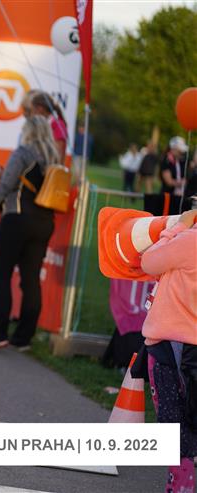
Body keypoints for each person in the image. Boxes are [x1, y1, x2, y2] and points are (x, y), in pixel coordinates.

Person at [0, 115, 59, 351]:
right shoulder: (53, 157)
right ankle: (23, 337)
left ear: (28, 132)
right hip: (44, 222)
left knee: (1, 275)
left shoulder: (23, 153)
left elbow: (5, 186)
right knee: (31, 280)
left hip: (17, 217)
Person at [139, 208, 197, 493]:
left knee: (174, 425)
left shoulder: (189, 241)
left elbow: (149, 261)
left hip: (171, 345)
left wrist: (177, 228)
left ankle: (182, 486)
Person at [161, 136, 188, 214]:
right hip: (168, 197)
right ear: (173, 149)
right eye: (179, 151)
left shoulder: (180, 160)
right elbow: (169, 182)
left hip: (179, 197)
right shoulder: (166, 161)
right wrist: (181, 183)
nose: (181, 153)